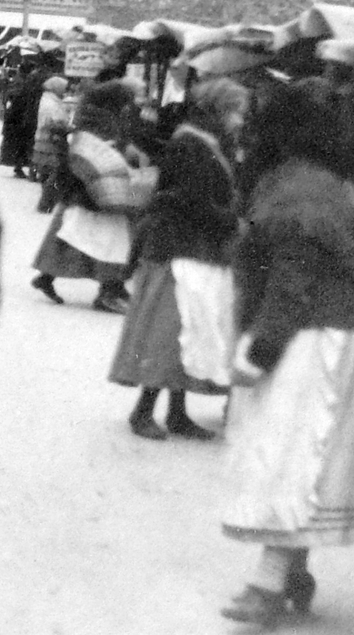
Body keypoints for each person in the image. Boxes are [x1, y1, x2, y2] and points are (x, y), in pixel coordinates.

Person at [221, 77, 354, 625]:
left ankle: (267, 583)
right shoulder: (336, 185)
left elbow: (290, 282)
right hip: (347, 337)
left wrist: (260, 352)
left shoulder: (292, 190)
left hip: (309, 342)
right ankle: (294, 569)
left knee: (286, 458)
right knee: (311, 461)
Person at [110, 78, 249, 442]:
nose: (240, 120)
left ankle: (176, 412)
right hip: (181, 249)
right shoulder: (193, 146)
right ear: (220, 110)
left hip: (195, 249)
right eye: (236, 112)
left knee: (189, 331)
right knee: (169, 333)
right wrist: (232, 221)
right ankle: (143, 411)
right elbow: (191, 201)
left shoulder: (203, 142)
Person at [31, 81, 144, 314]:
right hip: (99, 191)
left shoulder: (90, 116)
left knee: (73, 236)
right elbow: (108, 150)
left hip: (83, 190)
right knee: (112, 241)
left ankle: (48, 277)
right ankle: (110, 290)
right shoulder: (107, 120)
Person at [32, 76, 73, 225]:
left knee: (47, 172)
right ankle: (46, 203)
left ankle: (46, 203)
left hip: (44, 140)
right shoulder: (51, 103)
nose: (65, 91)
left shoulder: (49, 100)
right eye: (63, 88)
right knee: (53, 173)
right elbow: (53, 122)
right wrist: (67, 127)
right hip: (49, 141)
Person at [0, 63, 44, 178]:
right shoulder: (23, 84)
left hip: (16, 118)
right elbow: (15, 97)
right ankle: (21, 167)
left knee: (20, 144)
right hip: (18, 118)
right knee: (22, 144)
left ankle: (20, 167)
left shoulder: (20, 81)